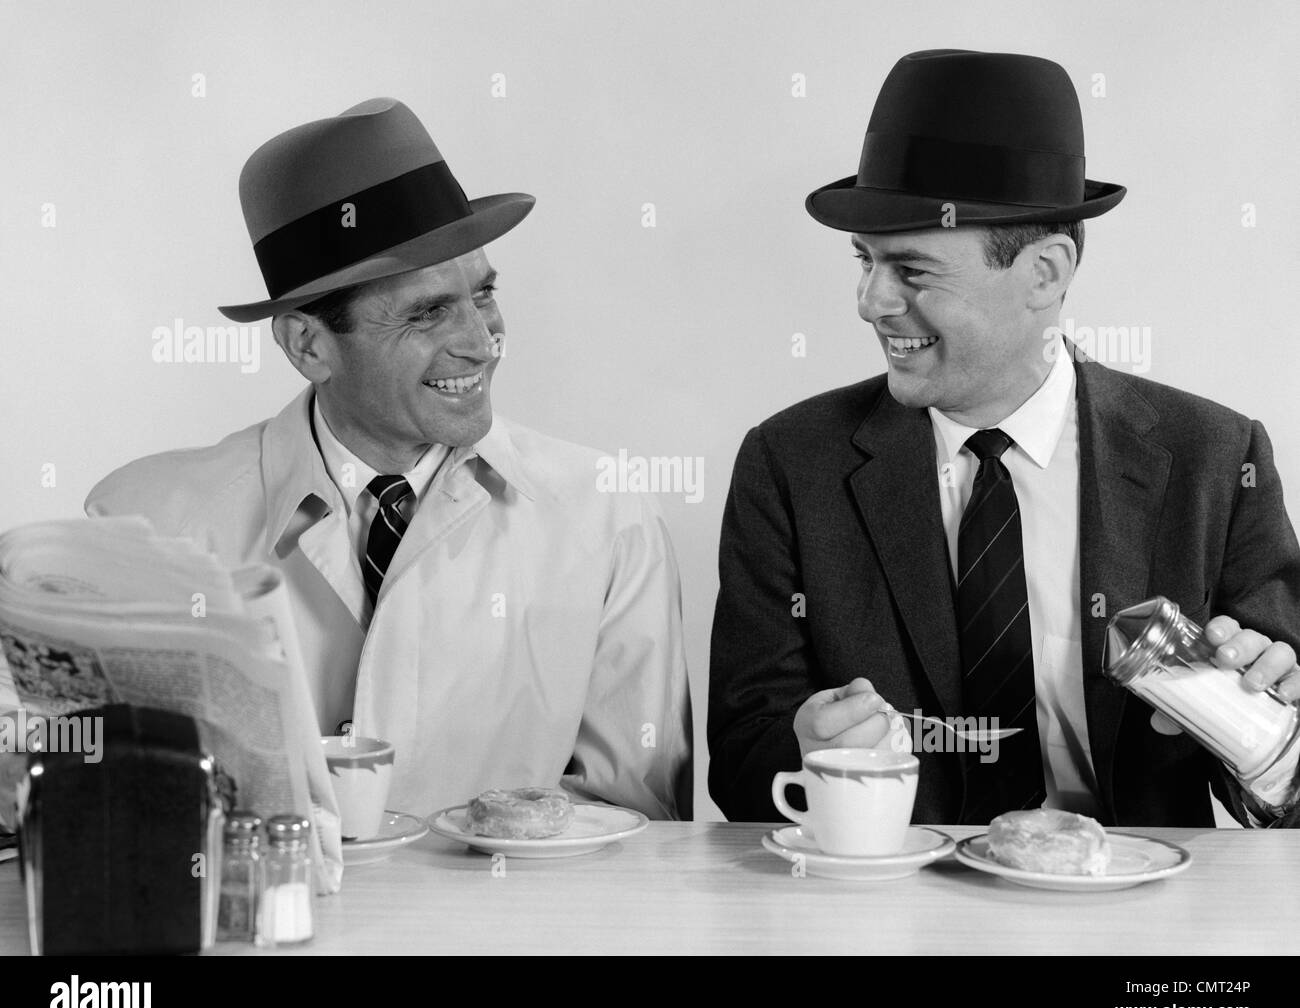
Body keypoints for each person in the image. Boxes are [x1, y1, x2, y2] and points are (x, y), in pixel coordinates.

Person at [708, 50, 1300, 828]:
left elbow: (1284, 798)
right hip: (894, 920)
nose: (869, 301)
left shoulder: (1216, 461)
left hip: (1135, 914)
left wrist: (1268, 738)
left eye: (912, 271)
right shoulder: (790, 464)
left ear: (1045, 274)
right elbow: (741, 761)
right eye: (865, 262)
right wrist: (804, 748)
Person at [86, 98, 692, 820]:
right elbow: (103, 803)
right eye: (427, 312)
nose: (481, 339)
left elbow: (639, 822)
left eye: (484, 293)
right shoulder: (146, 523)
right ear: (308, 344)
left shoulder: (606, 513)